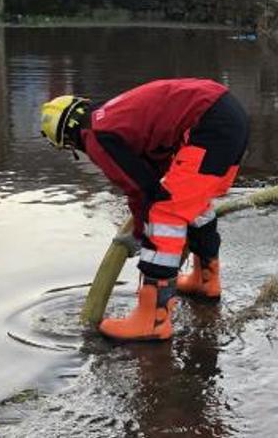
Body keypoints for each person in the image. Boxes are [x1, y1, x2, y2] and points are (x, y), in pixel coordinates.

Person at [39, 79, 250, 341]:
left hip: (210, 125)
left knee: (164, 214)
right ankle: (205, 280)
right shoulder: (114, 115)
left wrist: (141, 232)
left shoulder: (96, 137)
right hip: (225, 113)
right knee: (190, 202)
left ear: (66, 142)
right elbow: (156, 162)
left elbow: (141, 189)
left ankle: (153, 319)